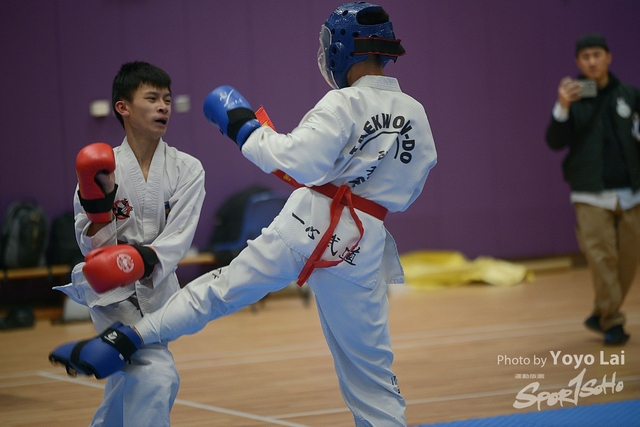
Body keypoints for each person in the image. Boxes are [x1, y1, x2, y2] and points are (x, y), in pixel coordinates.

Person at [50, 4, 436, 426]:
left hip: (309, 222)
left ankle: (126, 339)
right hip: (363, 241)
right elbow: (412, 185)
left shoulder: (343, 102)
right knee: (370, 364)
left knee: (221, 289)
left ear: (341, 49)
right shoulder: (415, 112)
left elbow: (298, 160)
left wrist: (243, 125)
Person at [51, 61, 206, 426]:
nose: (163, 107)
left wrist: (139, 259)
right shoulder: (100, 168)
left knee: (129, 379)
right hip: (112, 297)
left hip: (158, 292)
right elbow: (91, 247)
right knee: (156, 374)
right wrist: (101, 206)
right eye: (152, 98)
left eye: (167, 99)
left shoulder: (187, 169)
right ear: (123, 107)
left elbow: (178, 238)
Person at [546, 33, 640, 346]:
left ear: (608, 57)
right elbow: (554, 141)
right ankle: (613, 322)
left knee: (628, 262)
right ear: (578, 62)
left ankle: (601, 312)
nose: (592, 61)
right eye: (585, 57)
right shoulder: (573, 97)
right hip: (590, 194)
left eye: (597, 55)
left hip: (631, 193)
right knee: (602, 260)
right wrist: (562, 106)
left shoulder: (629, 95)